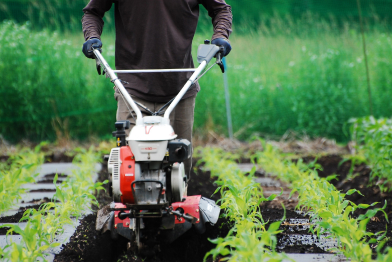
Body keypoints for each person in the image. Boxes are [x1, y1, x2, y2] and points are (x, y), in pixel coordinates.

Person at [81, 0, 232, 180]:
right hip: (132, 89)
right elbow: (92, 12)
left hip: (179, 89)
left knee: (179, 169)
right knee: (129, 169)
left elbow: (221, 9)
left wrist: (220, 36)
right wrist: (91, 37)